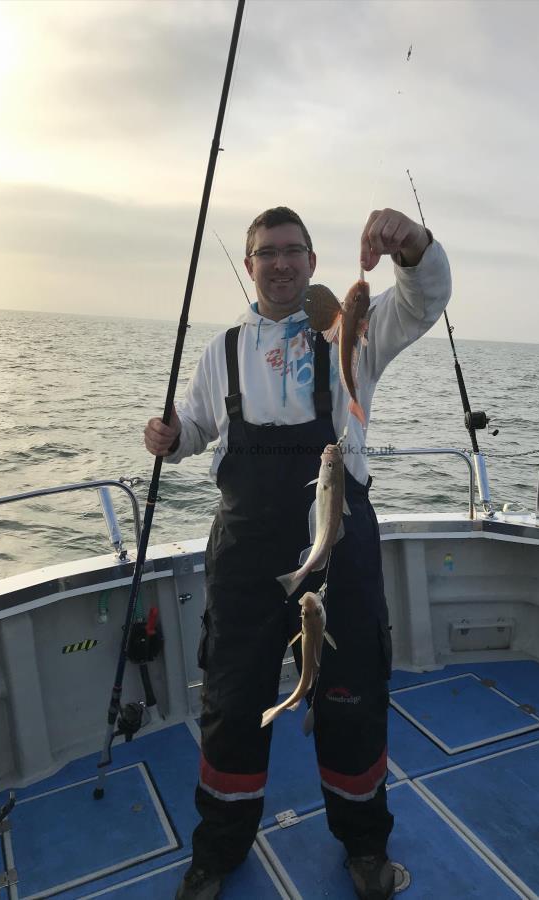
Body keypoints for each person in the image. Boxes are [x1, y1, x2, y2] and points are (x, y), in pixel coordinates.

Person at [144, 206, 451, 900]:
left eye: (293, 251)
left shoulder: (351, 336)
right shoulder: (221, 349)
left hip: (337, 544)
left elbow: (424, 299)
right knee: (230, 703)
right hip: (246, 554)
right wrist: (171, 436)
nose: (279, 263)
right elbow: (196, 427)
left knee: (350, 698)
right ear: (250, 266)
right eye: (265, 253)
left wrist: (413, 247)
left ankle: (364, 846)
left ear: (313, 263)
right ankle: (217, 851)